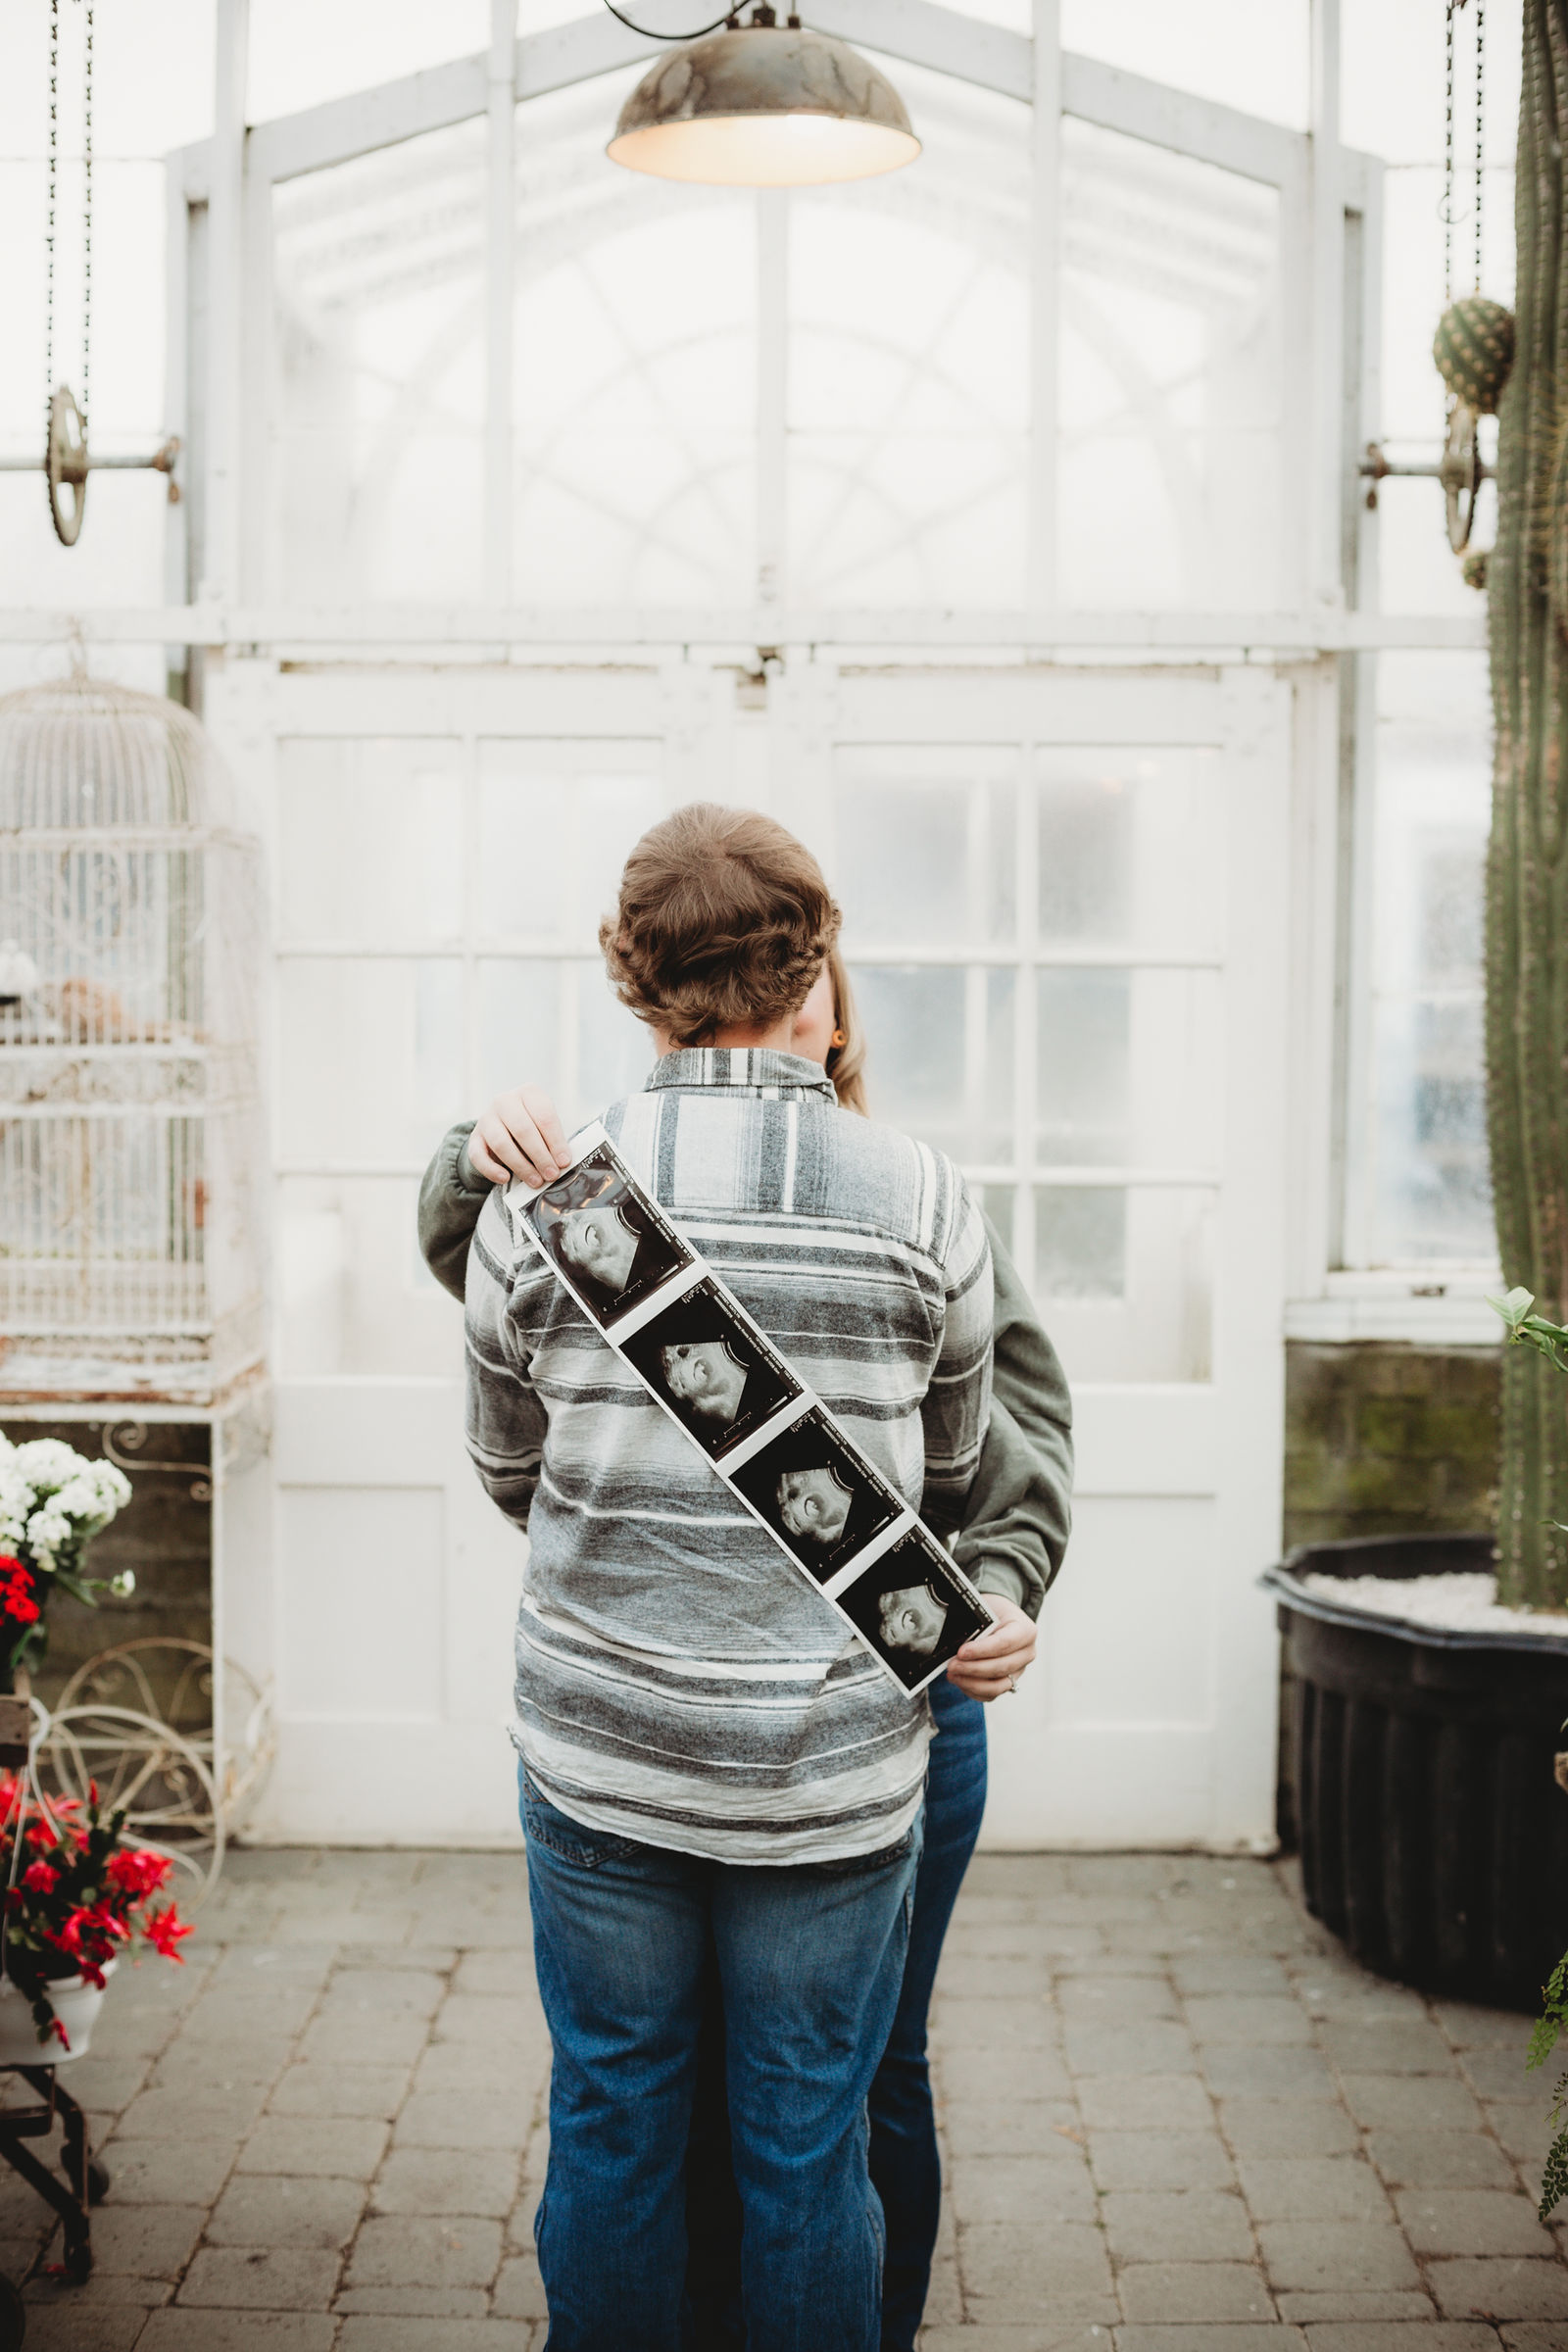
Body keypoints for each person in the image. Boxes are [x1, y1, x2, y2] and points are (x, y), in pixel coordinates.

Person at [421, 930, 1074, 2352]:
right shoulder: (576, 1182)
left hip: (870, 1691)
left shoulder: (912, 1192)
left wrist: (1000, 1577)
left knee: (831, 2088)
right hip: (803, 1739)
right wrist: (468, 1152)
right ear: (783, 991)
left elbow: (1004, 1454)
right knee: (782, 2120)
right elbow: (480, 1261)